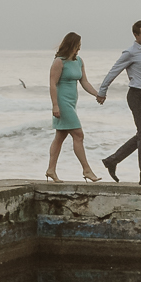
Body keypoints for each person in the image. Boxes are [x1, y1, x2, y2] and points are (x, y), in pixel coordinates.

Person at [92, 19, 141, 184]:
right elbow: (114, 71)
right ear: (136, 35)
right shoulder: (130, 52)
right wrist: (102, 91)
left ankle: (113, 160)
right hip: (136, 95)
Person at [44, 31, 102, 182]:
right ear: (71, 45)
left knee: (60, 136)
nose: (79, 49)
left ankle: (51, 170)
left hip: (71, 102)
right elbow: (52, 84)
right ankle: (87, 170)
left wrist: (97, 94)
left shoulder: (79, 61)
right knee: (78, 134)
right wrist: (55, 105)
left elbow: (84, 82)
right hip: (62, 103)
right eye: (77, 46)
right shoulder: (59, 61)